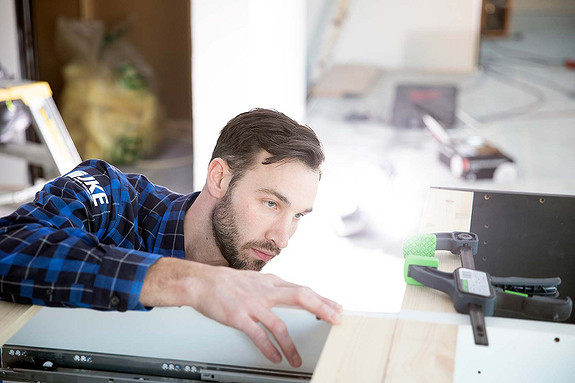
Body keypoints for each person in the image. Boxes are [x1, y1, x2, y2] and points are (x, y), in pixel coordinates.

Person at [0, 108, 342, 368]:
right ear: (220, 178)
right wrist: (191, 281)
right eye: (271, 204)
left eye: (297, 216)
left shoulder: (245, 285)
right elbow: (9, 246)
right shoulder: (109, 194)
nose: (282, 239)